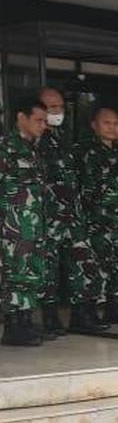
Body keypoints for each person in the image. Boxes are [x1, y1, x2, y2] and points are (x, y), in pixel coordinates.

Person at [36, 88, 104, 337]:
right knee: (49, 269)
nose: (57, 111)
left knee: (84, 264)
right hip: (48, 215)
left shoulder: (65, 137)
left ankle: (81, 314)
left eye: (60, 107)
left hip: (72, 215)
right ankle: (49, 317)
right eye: (51, 107)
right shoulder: (34, 139)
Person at [77, 107, 118, 323]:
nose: (112, 128)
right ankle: (88, 311)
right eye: (107, 123)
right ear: (94, 125)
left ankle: (115, 307)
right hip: (98, 220)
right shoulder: (86, 153)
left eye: (115, 123)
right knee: (96, 266)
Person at [0, 99, 49, 346]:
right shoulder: (6, 148)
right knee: (14, 275)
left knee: (31, 274)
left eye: (45, 121)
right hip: (12, 227)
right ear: (21, 118)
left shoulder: (33, 150)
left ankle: (26, 321)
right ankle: (13, 326)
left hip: (33, 225)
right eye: (39, 120)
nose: (43, 125)